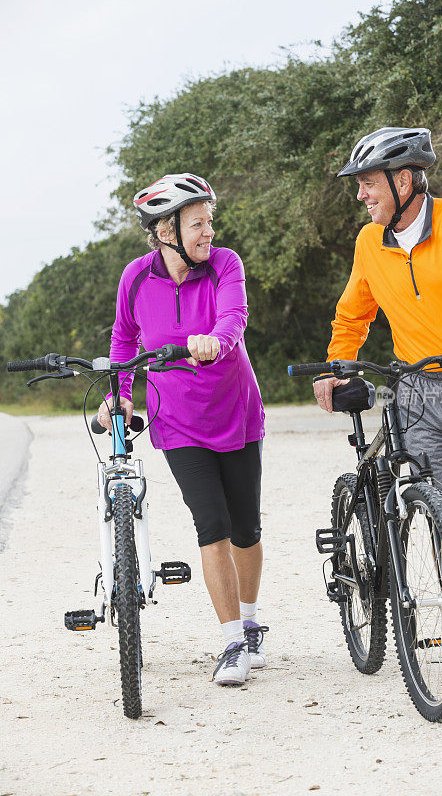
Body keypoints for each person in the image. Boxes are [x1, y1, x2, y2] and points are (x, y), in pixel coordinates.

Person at [314, 127, 442, 689]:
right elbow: (353, 312)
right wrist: (338, 363)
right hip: (418, 393)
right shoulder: (368, 243)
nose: (361, 195)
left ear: (404, 181)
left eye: (369, 183)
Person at [97, 173, 267, 686]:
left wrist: (215, 339)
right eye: (197, 223)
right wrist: (119, 393)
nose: (208, 231)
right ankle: (233, 641)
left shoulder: (225, 265)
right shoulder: (136, 277)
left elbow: (234, 318)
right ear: (165, 230)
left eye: (209, 221)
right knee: (210, 524)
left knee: (246, 529)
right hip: (176, 421)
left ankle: (253, 619)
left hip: (236, 412)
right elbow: (125, 341)